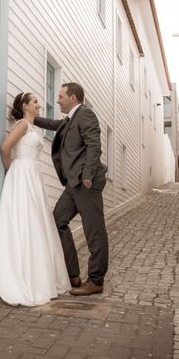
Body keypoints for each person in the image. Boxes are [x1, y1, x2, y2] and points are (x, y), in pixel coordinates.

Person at [0, 92, 71, 306]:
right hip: (23, 173)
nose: (39, 105)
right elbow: (5, 147)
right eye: (35, 102)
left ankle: (39, 276)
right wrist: (11, 168)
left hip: (32, 175)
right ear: (25, 105)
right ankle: (25, 277)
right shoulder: (22, 125)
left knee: (36, 221)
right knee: (25, 219)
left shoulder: (31, 126)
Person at [34, 82, 109, 296]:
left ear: (73, 98)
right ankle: (73, 274)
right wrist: (30, 117)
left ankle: (96, 280)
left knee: (93, 230)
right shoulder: (68, 120)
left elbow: (94, 145)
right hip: (72, 184)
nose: (57, 100)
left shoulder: (85, 114)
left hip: (86, 182)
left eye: (60, 96)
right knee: (57, 221)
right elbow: (52, 123)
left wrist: (87, 175)